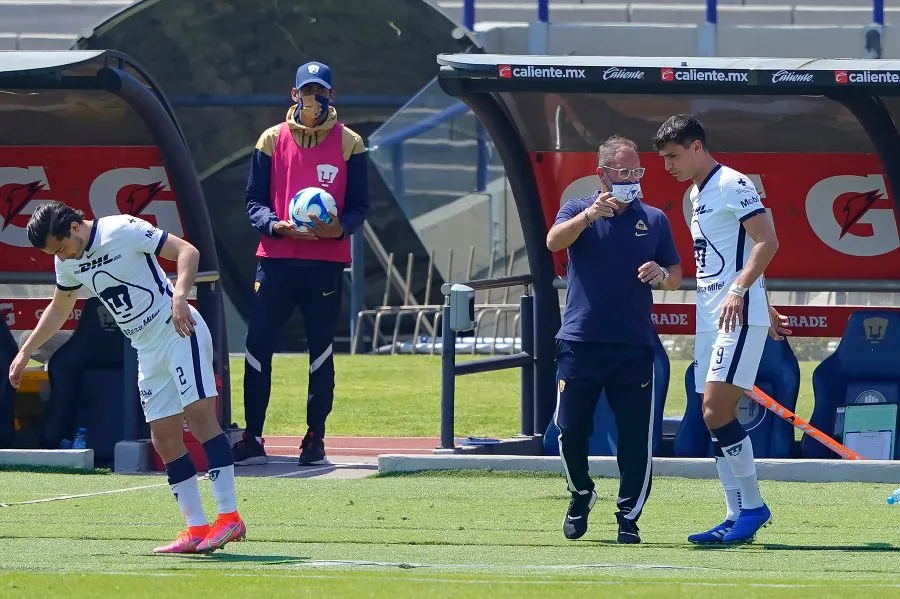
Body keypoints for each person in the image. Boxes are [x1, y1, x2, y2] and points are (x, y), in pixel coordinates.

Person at [8, 202, 245, 554]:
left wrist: (180, 295)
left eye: (61, 248)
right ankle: (196, 527)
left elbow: (187, 251)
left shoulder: (121, 229)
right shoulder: (66, 261)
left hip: (178, 330)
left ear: (74, 228)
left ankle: (230, 519)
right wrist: (26, 350)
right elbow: (61, 307)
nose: (63, 257)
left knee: (199, 417)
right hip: (146, 348)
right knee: (163, 439)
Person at [652, 114, 791, 545]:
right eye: (662, 158)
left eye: (673, 156)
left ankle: (753, 507)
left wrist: (746, 294)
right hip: (713, 315)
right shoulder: (694, 194)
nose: (667, 166)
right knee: (711, 413)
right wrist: (758, 298)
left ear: (697, 147)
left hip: (735, 313)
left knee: (715, 409)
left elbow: (767, 241)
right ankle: (734, 516)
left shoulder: (734, 182)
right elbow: (734, 254)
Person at [232, 60, 369, 467]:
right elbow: (253, 200)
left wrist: (338, 230)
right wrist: (275, 225)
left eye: (321, 91)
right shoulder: (271, 139)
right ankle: (253, 435)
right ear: (294, 95)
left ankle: (314, 437)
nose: (314, 98)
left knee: (322, 352)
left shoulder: (351, 143)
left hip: (323, 266)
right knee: (257, 348)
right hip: (275, 261)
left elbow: (360, 207)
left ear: (332, 94)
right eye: (307, 91)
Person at [546, 135, 683, 544]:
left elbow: (676, 275)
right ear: (602, 173)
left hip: (634, 345)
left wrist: (663, 277)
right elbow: (554, 242)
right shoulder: (577, 210)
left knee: (636, 436)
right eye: (623, 172)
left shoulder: (655, 218)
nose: (632, 179)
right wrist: (590, 216)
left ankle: (629, 516)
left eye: (637, 171)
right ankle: (581, 493)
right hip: (580, 342)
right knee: (570, 428)